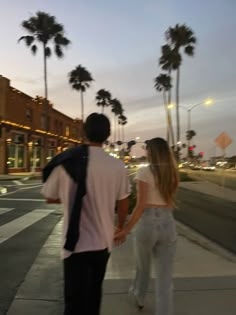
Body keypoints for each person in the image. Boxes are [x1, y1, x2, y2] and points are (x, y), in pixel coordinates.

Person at [41, 113, 130, 315]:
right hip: (103, 243)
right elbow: (123, 201)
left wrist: (71, 196)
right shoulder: (117, 166)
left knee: (73, 301)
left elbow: (49, 197)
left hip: (74, 245)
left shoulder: (67, 161)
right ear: (107, 135)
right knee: (94, 296)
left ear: (84, 133)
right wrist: (120, 227)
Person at [114, 137, 179, 315]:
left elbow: (140, 205)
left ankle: (139, 297)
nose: (146, 152)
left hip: (148, 223)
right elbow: (170, 200)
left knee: (143, 266)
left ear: (153, 152)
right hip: (168, 223)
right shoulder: (173, 172)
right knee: (165, 278)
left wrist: (125, 229)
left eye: (148, 150)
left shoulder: (144, 172)